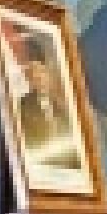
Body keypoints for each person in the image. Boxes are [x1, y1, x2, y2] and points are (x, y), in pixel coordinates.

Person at [16, 35, 79, 169]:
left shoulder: (62, 106)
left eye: (41, 72)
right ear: (29, 79)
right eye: (34, 74)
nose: (39, 78)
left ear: (48, 74)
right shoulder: (23, 106)